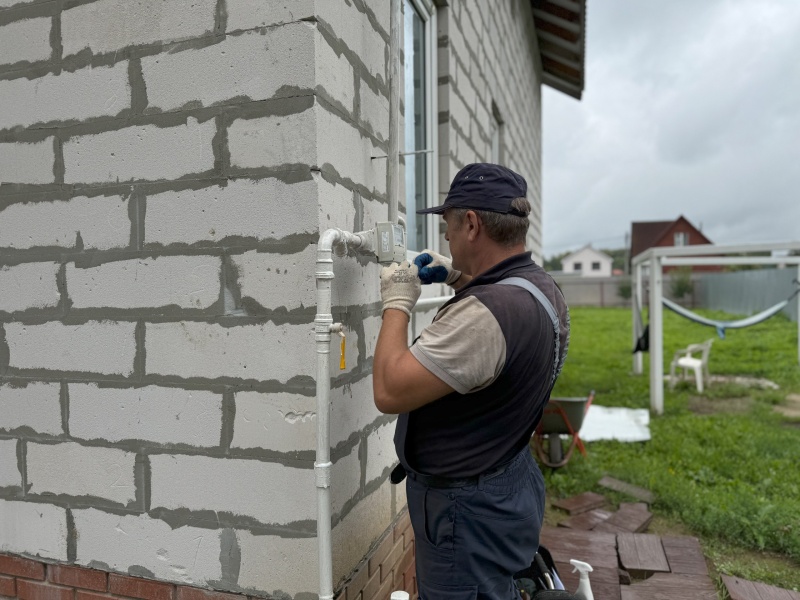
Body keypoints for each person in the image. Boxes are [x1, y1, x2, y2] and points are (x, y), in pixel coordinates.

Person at [372, 163, 570, 600]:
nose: (446, 238)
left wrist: (397, 303)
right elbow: (498, 331)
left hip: (467, 514)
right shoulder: (541, 287)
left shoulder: (485, 316)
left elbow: (389, 389)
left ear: (473, 224)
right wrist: (458, 277)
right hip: (509, 481)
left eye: (448, 226)